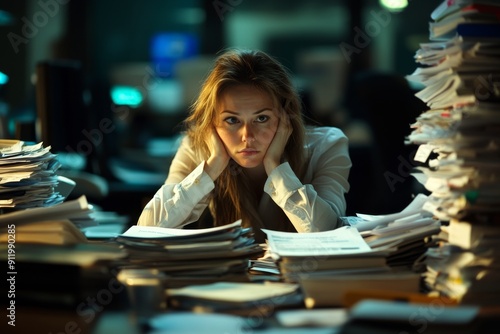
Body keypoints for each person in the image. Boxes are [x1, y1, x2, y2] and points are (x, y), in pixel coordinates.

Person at [137, 48, 351, 243]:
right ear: (212, 123)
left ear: (286, 116)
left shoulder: (327, 145)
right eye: (232, 120)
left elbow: (327, 235)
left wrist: (276, 168)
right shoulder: (195, 148)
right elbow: (147, 231)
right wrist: (212, 167)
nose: (247, 136)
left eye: (262, 119)